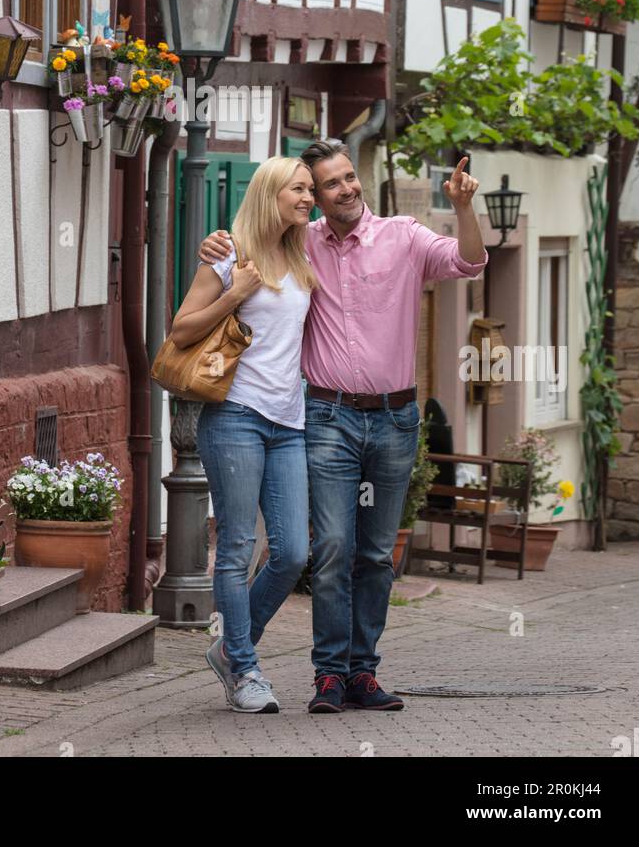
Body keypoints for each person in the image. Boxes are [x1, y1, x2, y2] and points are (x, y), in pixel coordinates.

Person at [200, 142, 487, 713]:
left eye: (348, 177)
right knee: (328, 547)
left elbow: (470, 262)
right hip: (327, 416)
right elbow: (249, 240)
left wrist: (462, 209)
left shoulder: (404, 235)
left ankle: (362, 672)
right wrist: (215, 244)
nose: (344, 189)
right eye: (328, 184)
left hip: (396, 418)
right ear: (315, 197)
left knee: (377, 554)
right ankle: (327, 674)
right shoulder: (300, 242)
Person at [170, 156, 319, 713]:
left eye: (310, 189)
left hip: (289, 422)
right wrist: (234, 292)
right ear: (270, 193)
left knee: (292, 552)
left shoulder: (302, 252)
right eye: (299, 189)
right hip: (235, 415)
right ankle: (245, 671)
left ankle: (231, 650)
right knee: (235, 545)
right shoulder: (229, 251)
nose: (309, 197)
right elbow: (182, 328)